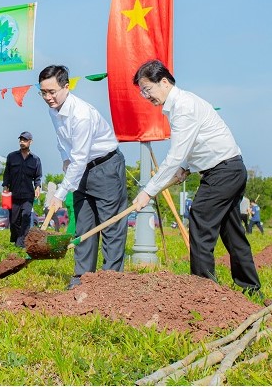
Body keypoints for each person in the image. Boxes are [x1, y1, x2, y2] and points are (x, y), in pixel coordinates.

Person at [132, 59, 261, 294]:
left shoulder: (183, 107)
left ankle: (202, 292)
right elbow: (199, 145)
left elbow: (175, 155)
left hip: (223, 172)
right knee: (232, 233)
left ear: (163, 82)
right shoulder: (181, 105)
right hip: (228, 169)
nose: (146, 96)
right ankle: (251, 288)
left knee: (200, 219)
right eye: (142, 92)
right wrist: (187, 168)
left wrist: (148, 191)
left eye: (147, 89)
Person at [39, 65, 128, 290]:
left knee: (111, 226)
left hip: (106, 168)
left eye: (52, 91)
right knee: (84, 228)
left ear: (66, 87)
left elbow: (80, 157)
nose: (48, 97)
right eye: (43, 92)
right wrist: (64, 160)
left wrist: (59, 194)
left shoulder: (81, 114)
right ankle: (82, 280)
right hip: (82, 171)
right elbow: (63, 143)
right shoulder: (54, 110)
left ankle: (110, 284)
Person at [2, 132, 42, 248]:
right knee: (14, 221)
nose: (22, 142)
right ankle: (16, 238)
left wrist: (38, 187)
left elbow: (38, 176)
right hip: (14, 195)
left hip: (28, 195)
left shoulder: (35, 159)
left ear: (30, 142)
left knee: (25, 217)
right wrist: (5, 186)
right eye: (21, 140)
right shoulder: (11, 156)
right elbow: (7, 173)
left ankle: (21, 243)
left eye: (25, 140)